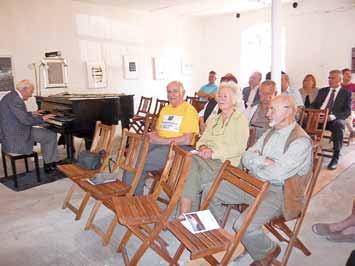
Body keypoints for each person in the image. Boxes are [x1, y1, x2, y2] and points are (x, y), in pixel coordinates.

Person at [205, 95, 313, 266]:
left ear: (289, 112)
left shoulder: (300, 141)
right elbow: (246, 156)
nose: (267, 113)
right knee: (210, 189)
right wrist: (263, 162)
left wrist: (257, 163)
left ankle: (268, 250)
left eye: (272, 110)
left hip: (280, 193)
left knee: (242, 225)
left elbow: (277, 174)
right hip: (255, 183)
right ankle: (214, 235)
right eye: (268, 109)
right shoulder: (272, 131)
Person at [179, 80, 249, 214]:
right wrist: (204, 147)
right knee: (192, 168)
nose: (221, 99)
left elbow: (239, 147)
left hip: (228, 165)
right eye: (220, 96)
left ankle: (185, 214)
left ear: (234, 100)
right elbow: (202, 140)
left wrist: (213, 153)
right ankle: (188, 216)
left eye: (225, 96)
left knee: (189, 165)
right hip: (207, 160)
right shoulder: (214, 119)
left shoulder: (240, 119)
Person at [123, 80, 199, 195]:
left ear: (183, 93)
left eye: (175, 91)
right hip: (161, 143)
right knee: (133, 156)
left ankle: (132, 197)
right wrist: (152, 135)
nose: (171, 94)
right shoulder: (165, 109)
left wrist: (162, 140)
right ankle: (128, 193)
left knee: (142, 161)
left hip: (179, 148)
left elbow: (187, 139)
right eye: (169, 92)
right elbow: (158, 131)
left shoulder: (189, 110)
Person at [0, 80, 59, 172]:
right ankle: (50, 164)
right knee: (50, 135)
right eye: (31, 91)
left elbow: (16, 115)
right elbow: (26, 121)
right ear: (24, 89)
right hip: (17, 135)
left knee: (46, 133)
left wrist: (32, 113)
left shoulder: (10, 96)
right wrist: (43, 118)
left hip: (11, 132)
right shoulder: (16, 99)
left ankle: (50, 161)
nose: (31, 95)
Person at [311, 69, 352, 170]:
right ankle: (303, 152)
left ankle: (335, 156)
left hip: (333, 120)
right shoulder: (322, 91)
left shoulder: (346, 93)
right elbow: (313, 105)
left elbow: (347, 112)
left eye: (332, 78)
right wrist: (313, 114)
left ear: (339, 79)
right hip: (318, 118)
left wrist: (331, 117)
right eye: (329, 77)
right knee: (301, 121)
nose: (329, 80)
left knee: (339, 125)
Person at [342, 68, 355, 138]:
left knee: (346, 115)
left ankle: (344, 137)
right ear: (342, 75)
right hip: (339, 108)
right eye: (347, 74)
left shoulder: (354, 86)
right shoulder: (339, 86)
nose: (349, 75)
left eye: (350, 74)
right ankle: (352, 131)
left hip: (352, 109)